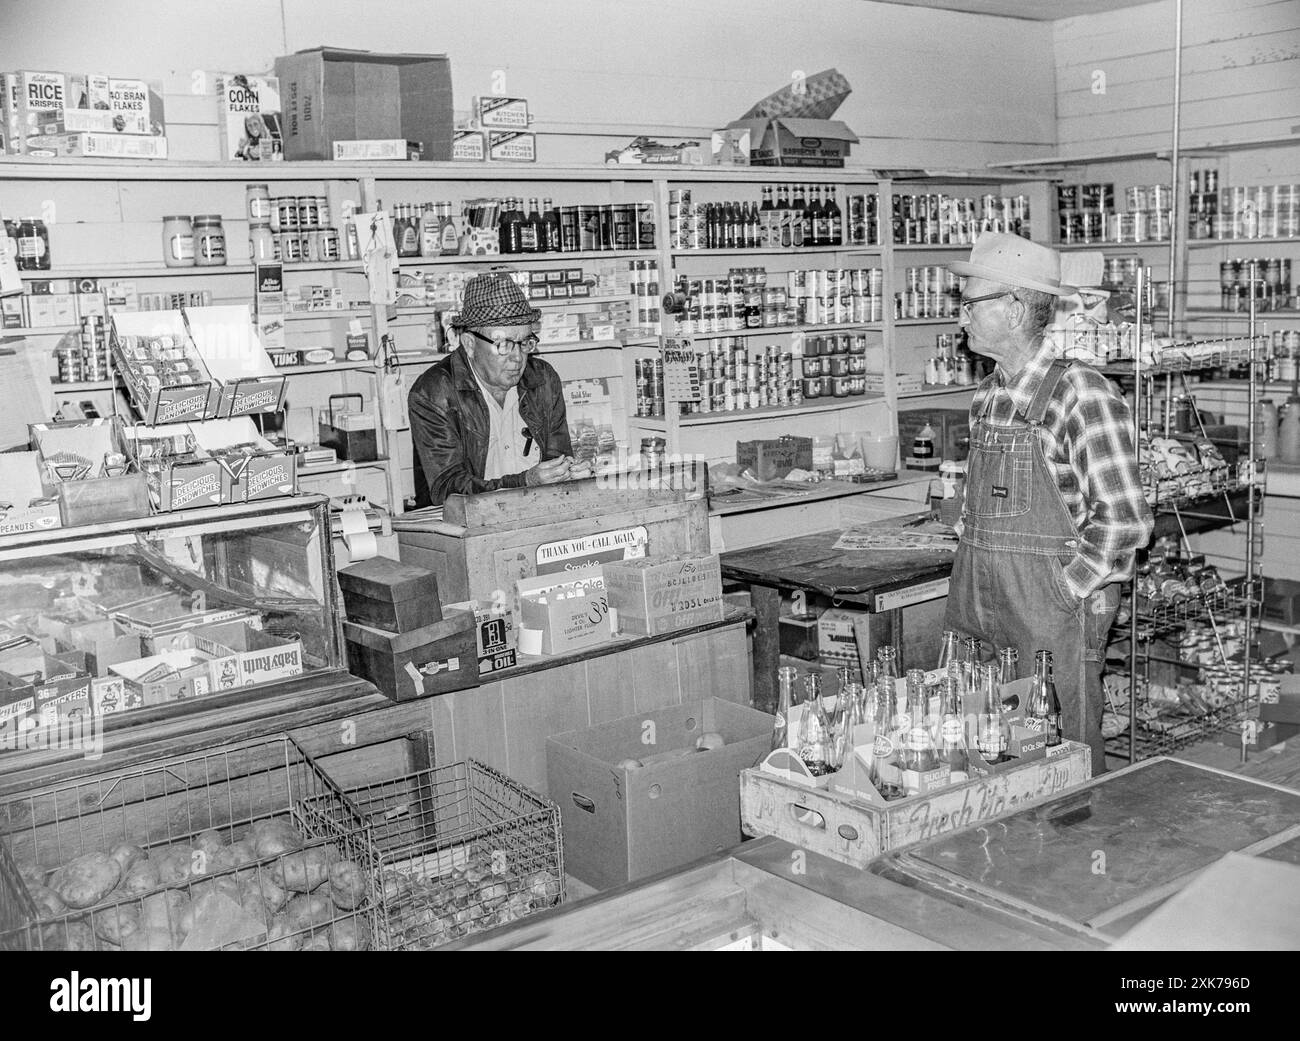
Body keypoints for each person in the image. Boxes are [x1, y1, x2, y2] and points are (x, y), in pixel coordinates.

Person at [943, 234, 1154, 774]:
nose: (961, 315)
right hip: (980, 602)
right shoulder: (987, 396)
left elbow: (1125, 520)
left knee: (1058, 755)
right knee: (981, 743)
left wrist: (1065, 590)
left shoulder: (1081, 394)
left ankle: (1078, 852)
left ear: (1014, 308)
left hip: (1049, 612)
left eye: (971, 303)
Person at [408, 272, 584, 506]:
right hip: (464, 529)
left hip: (533, 514)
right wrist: (525, 482)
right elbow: (447, 490)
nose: (517, 357)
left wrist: (569, 473)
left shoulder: (542, 379)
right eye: (503, 345)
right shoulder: (433, 392)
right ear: (470, 344)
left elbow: (557, 457)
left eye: (525, 343)